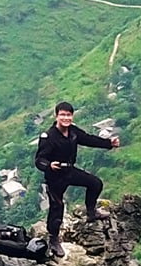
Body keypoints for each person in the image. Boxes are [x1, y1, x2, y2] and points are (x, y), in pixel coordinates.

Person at [34, 101, 120, 257]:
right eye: (63, 115)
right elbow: (39, 160)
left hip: (69, 170)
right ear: (57, 116)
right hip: (55, 176)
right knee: (57, 207)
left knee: (95, 183)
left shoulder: (73, 132)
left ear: (72, 116)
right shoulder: (49, 136)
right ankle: (54, 240)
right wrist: (49, 165)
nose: (66, 118)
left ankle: (91, 212)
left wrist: (109, 143)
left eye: (68, 115)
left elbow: (88, 139)